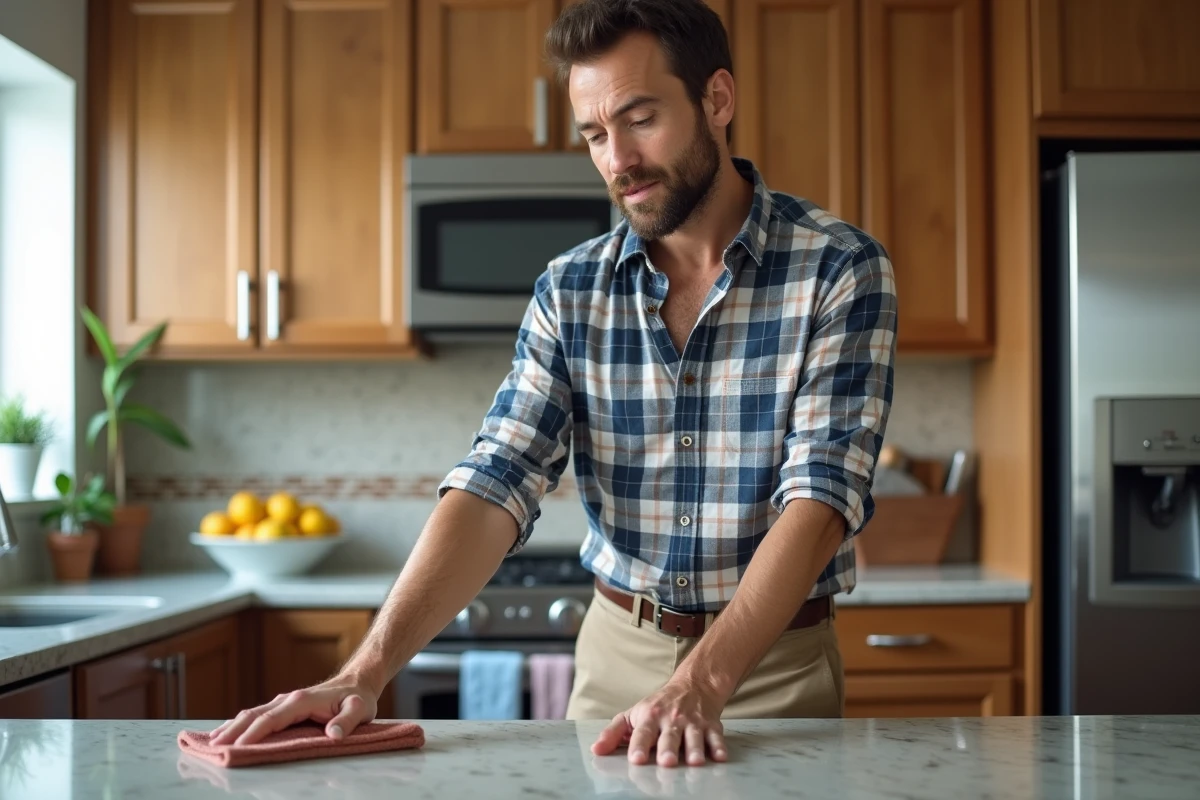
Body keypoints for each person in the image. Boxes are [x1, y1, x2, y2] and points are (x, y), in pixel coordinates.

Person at [208, 0, 897, 769]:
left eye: (640, 119)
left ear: (717, 100)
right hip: (615, 659)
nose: (618, 161)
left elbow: (822, 497)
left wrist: (702, 681)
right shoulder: (569, 290)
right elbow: (500, 474)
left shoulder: (839, 269)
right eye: (596, 135)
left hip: (775, 667)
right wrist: (362, 671)